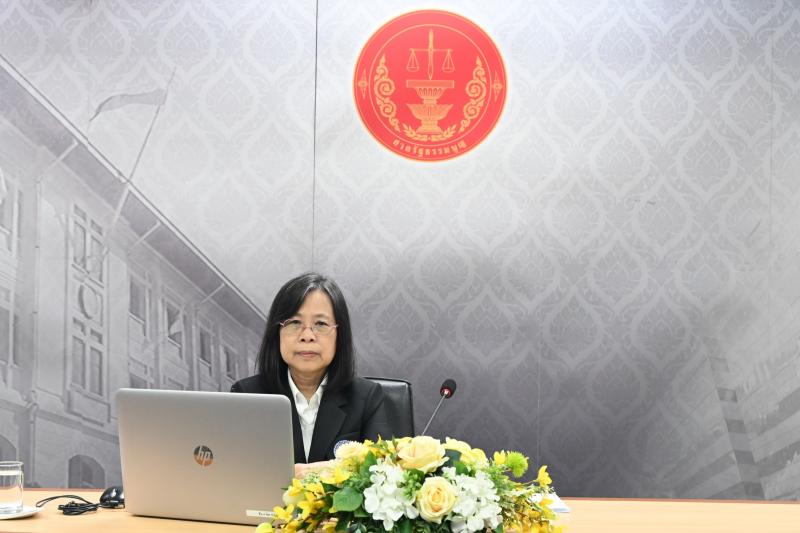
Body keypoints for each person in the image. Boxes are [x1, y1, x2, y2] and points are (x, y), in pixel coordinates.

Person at [231, 272, 390, 472]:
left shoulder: (366, 398)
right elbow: (235, 472)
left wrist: (310, 473)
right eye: (294, 323)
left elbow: (383, 472)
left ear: (339, 334)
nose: (307, 336)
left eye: (321, 324)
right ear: (276, 332)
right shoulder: (247, 395)